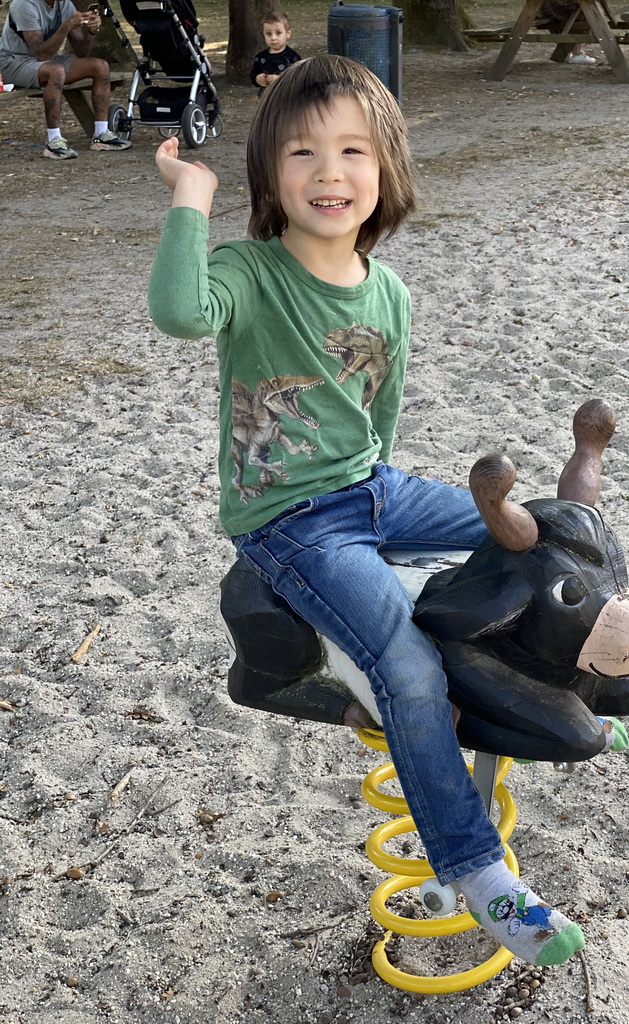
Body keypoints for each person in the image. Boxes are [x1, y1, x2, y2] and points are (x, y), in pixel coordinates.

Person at [148, 54, 588, 968]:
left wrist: (398, 510)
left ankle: (578, 686)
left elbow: (377, 419)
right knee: (405, 661)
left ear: (384, 169)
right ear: (272, 173)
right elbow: (183, 313)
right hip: (291, 519)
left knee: (549, 531)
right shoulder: (248, 272)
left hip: (373, 489)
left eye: (352, 151)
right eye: (303, 153)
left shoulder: (389, 292)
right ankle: (475, 870)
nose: (329, 172)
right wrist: (191, 194)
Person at [0, 0, 132, 159]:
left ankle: (101, 134)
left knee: (100, 66)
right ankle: (53, 141)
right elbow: (41, 54)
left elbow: (82, 51)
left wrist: (91, 31)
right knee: (56, 71)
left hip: (47, 61)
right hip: (12, 62)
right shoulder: (24, 4)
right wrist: (66, 26)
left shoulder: (64, 4)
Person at [249, 10, 301, 93]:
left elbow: (299, 79)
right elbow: (253, 74)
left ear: (287, 33)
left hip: (286, 97)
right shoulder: (261, 57)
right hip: (265, 97)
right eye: (269, 34)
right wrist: (257, 78)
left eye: (278, 33)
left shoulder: (292, 57)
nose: (273, 38)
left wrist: (279, 79)